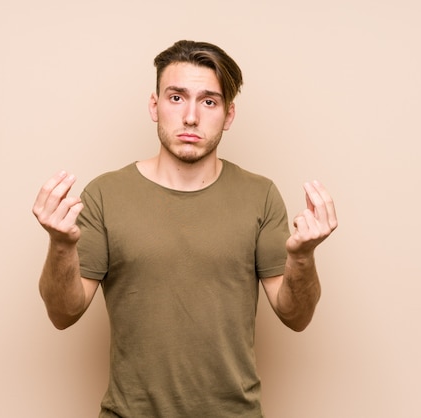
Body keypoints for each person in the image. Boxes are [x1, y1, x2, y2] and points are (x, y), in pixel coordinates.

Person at [32, 40, 337, 418]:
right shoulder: (105, 194)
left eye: (208, 101)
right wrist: (60, 245)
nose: (190, 116)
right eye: (176, 98)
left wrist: (303, 257)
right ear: (154, 106)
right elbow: (63, 314)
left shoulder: (260, 195)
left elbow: (297, 316)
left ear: (228, 115)